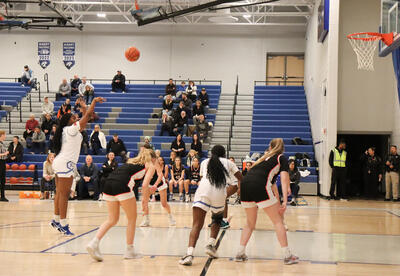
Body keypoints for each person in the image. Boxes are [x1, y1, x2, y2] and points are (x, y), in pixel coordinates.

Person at [86, 148, 156, 262]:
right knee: (132, 219)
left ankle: (94, 243)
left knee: (112, 219)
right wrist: (145, 201)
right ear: (153, 159)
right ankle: (129, 250)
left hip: (108, 184)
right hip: (122, 185)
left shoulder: (131, 162)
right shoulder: (150, 165)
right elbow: (144, 185)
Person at [236, 138, 299, 265]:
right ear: (282, 148)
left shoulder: (262, 159)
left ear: (270, 147)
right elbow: (285, 179)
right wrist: (285, 201)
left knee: (249, 223)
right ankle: (287, 255)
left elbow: (272, 183)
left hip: (245, 185)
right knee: (278, 221)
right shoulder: (281, 158)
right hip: (259, 185)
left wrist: (277, 200)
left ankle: (240, 252)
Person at [51, 96, 105, 235]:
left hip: (60, 162)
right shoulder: (70, 129)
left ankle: (56, 219)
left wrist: (83, 107)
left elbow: (85, 119)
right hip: (65, 164)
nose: (76, 119)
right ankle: (63, 223)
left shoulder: (68, 130)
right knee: (64, 195)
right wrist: (92, 103)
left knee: (59, 193)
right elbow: (87, 116)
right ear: (69, 121)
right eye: (74, 118)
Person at [179, 145, 242, 266]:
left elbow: (202, 178)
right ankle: (210, 245)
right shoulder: (229, 162)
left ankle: (189, 254)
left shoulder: (205, 162)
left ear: (212, 154)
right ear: (224, 154)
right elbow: (240, 178)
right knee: (217, 220)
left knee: (197, 224)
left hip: (204, 189)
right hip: (219, 192)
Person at [140, 155, 176, 227]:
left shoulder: (154, 162)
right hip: (150, 182)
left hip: (159, 182)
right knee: (144, 201)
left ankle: (170, 217)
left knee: (163, 203)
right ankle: (146, 220)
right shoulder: (143, 161)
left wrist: (155, 185)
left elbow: (160, 175)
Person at [0, 130, 9, 202]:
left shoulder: (2, 143)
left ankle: (2, 196)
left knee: (3, 180)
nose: (5, 136)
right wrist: (5, 153)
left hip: (3, 162)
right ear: (1, 135)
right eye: (4, 135)